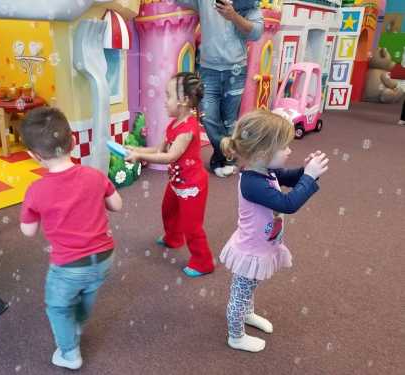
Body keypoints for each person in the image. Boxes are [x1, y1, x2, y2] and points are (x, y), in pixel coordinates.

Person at [19, 107, 122, 370]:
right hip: (104, 259)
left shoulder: (36, 190)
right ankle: (78, 323)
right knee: (88, 291)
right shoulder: (94, 175)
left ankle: (69, 353)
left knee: (57, 306)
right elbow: (117, 205)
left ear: (34, 156)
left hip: (68, 266)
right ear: (73, 141)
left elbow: (28, 232)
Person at [219, 110, 329, 352]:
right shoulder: (252, 183)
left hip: (261, 245)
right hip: (250, 250)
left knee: (250, 286)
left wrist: (307, 171)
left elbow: (289, 176)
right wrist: (308, 178)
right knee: (240, 292)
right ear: (262, 153)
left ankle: (247, 314)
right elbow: (287, 204)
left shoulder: (265, 170)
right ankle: (235, 336)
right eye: (284, 147)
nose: (290, 150)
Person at [126, 72, 215, 277]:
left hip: (192, 186)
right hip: (177, 181)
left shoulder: (187, 128)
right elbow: (159, 149)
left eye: (168, 96)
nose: (165, 102)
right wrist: (136, 150)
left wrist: (139, 156)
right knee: (168, 210)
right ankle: (174, 238)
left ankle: (203, 262)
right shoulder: (173, 124)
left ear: (184, 101)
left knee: (192, 227)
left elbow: (169, 156)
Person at [177, 0, 264, 177]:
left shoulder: (247, 3)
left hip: (235, 69)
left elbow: (256, 32)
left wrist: (233, 16)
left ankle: (220, 158)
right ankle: (228, 155)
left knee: (229, 121)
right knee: (208, 117)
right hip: (208, 69)